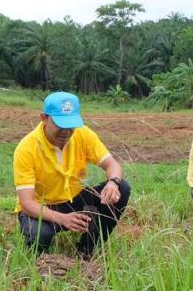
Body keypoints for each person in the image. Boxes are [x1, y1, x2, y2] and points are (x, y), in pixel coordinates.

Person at [13, 92, 131, 258]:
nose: (66, 132)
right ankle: (45, 262)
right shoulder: (26, 148)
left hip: (74, 199)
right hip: (42, 207)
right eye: (60, 124)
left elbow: (112, 165)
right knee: (39, 236)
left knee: (122, 188)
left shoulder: (83, 134)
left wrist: (113, 182)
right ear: (44, 118)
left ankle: (86, 248)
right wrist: (62, 219)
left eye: (71, 125)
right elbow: (26, 203)